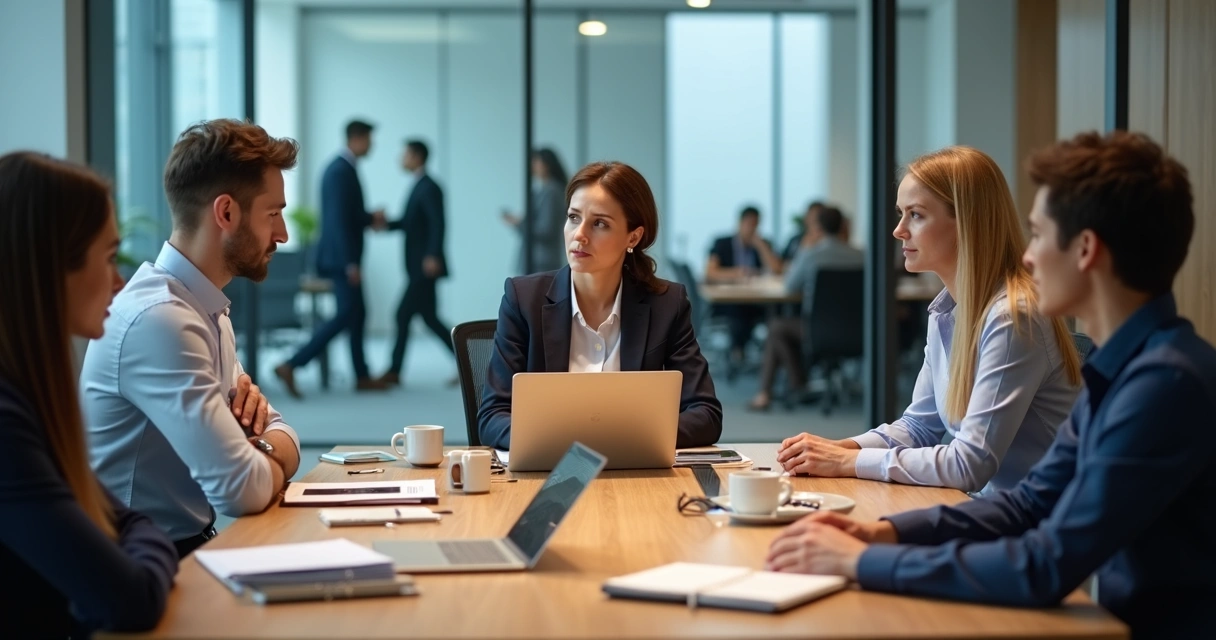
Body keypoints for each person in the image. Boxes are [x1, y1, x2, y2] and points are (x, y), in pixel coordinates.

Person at [764, 130, 1216, 639]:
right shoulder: (1126, 369)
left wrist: (862, 562)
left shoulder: (1164, 385)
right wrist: (879, 533)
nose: (1027, 256)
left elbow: (1045, 564)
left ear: (1086, 250)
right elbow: (1028, 503)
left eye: (1039, 235)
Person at [777, 146, 1081, 494]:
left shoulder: (1013, 317)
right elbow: (918, 427)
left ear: (967, 221)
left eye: (916, 215)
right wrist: (837, 449)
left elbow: (970, 464)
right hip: (985, 509)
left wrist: (846, 462)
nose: (899, 230)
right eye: (900, 214)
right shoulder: (948, 311)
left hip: (1031, 526)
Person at [82, 120, 302, 557]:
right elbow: (240, 491)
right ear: (225, 213)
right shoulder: (161, 321)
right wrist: (269, 453)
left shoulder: (205, 309)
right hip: (139, 566)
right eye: (273, 214)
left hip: (188, 548)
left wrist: (259, 447)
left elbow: (277, 428)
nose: (283, 235)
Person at [0, 152, 177, 636]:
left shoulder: (27, 400)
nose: (119, 281)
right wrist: (152, 545)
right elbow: (131, 596)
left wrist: (143, 540)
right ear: (51, 269)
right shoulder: (6, 425)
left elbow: (132, 522)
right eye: (107, 257)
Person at [478, 161, 722, 450]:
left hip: (635, 477)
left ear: (633, 236)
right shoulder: (524, 299)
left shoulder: (666, 305)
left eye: (600, 224)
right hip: (548, 474)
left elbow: (706, 415)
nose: (579, 234)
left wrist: (617, 440)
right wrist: (569, 442)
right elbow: (492, 416)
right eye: (573, 217)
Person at [275, 119, 388, 396]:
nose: (372, 146)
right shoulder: (340, 171)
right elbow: (337, 221)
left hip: (343, 256)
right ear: (357, 138)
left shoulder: (343, 168)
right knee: (346, 313)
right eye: (370, 140)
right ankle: (292, 363)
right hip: (341, 259)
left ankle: (361, 375)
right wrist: (350, 263)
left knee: (357, 313)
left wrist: (369, 217)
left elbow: (348, 215)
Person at [748, 206, 863, 411]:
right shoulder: (862, 256)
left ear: (818, 227)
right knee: (778, 328)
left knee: (776, 328)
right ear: (843, 227)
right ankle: (795, 384)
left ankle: (789, 386)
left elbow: (790, 286)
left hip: (817, 330)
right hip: (860, 332)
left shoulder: (811, 255)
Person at [377, 139, 456, 387]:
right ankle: (474, 363)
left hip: (424, 266)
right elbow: (412, 222)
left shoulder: (429, 187)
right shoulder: (419, 185)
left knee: (402, 315)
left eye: (406, 155)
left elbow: (437, 223)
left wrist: (433, 255)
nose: (401, 159)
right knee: (430, 318)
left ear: (417, 156)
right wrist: (386, 224)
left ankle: (394, 370)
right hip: (418, 265)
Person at [705, 206, 784, 374]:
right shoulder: (722, 243)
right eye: (749, 224)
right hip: (729, 302)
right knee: (739, 312)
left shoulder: (763, 244)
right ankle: (738, 352)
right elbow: (710, 273)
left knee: (775, 312)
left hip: (757, 300)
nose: (752, 229)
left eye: (756, 225)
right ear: (739, 223)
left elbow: (777, 269)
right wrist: (737, 273)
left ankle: (772, 358)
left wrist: (761, 246)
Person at [502, 148, 570, 273]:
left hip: (542, 261)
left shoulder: (552, 191)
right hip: (537, 259)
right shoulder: (542, 190)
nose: (532, 166)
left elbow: (546, 229)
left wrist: (520, 223)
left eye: (536, 162)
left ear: (546, 165)